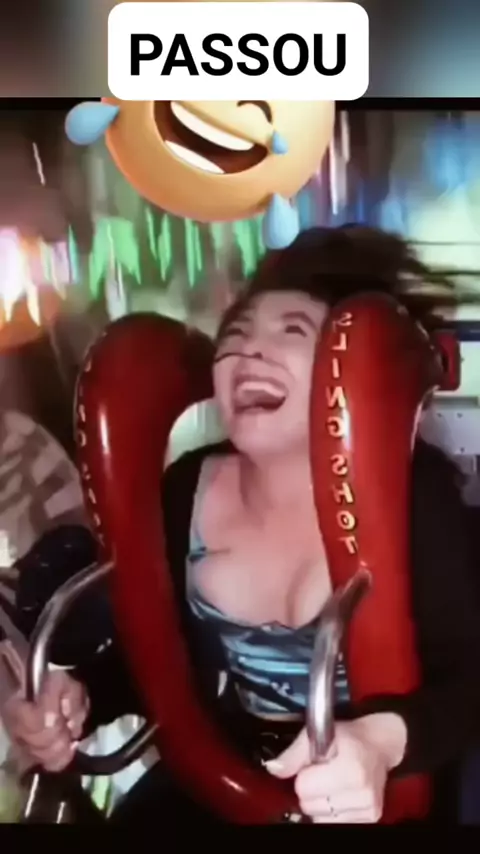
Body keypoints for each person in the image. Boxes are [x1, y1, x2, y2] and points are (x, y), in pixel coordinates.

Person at [4, 225, 480, 825]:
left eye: (292, 331)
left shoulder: (415, 495)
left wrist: (381, 744)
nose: (248, 352)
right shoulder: (187, 487)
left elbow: (466, 681)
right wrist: (79, 698)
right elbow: (156, 656)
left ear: (347, 373)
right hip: (224, 778)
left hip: (380, 787)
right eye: (235, 335)